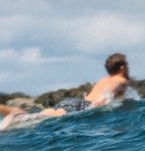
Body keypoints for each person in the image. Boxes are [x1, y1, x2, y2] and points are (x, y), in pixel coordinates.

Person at [0, 53, 130, 130]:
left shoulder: (102, 79)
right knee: (39, 117)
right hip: (85, 106)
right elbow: (108, 95)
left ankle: (11, 113)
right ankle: (14, 115)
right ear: (122, 67)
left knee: (43, 114)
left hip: (76, 102)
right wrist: (99, 104)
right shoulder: (121, 81)